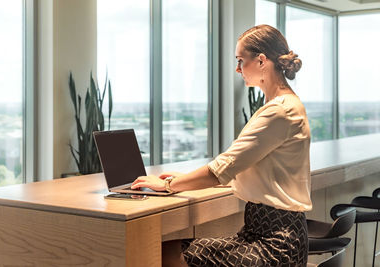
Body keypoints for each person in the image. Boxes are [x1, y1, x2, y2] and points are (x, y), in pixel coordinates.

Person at [131, 24, 312, 267]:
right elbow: (242, 168)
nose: (237, 69)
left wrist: (167, 185)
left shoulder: (280, 110)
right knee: (167, 251)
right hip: (269, 234)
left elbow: (222, 168)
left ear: (261, 61)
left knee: (166, 254)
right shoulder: (284, 105)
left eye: (240, 60)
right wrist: (186, 178)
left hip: (274, 245)